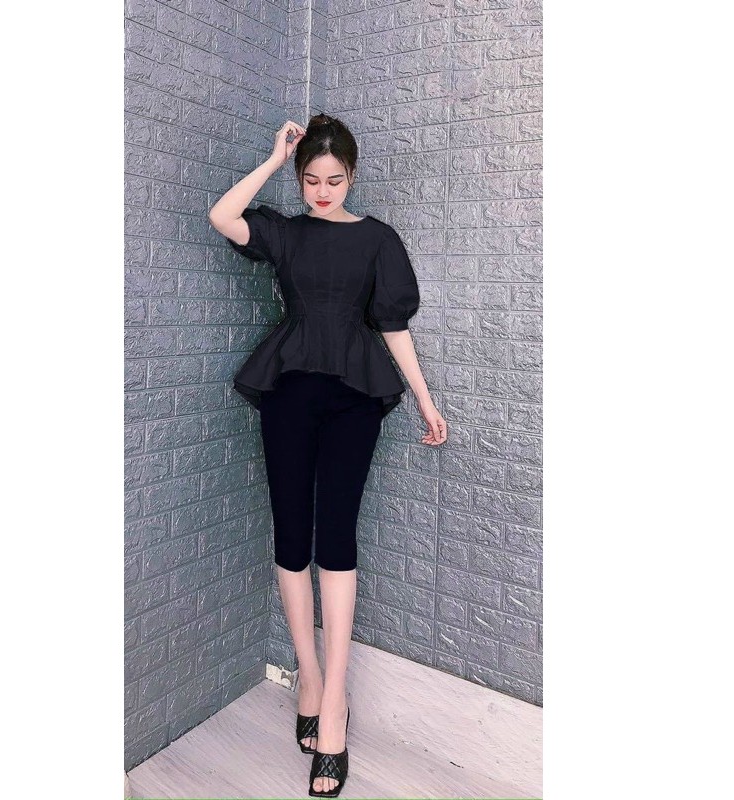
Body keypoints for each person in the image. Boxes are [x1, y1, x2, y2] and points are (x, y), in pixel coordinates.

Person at [209, 114, 447, 797]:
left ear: (352, 175)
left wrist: (425, 399)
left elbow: (393, 325)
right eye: (310, 179)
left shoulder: (377, 239)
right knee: (291, 538)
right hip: (288, 392)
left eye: (333, 179)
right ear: (298, 178)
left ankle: (334, 700)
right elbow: (223, 216)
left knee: (336, 539)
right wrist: (272, 157)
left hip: (354, 399)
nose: (321, 190)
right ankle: (308, 675)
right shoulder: (285, 233)